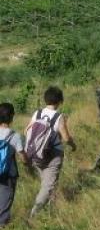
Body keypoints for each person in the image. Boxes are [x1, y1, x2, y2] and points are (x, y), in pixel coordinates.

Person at [26, 86, 77, 219]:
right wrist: (73, 145)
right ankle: (33, 215)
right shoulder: (58, 116)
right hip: (52, 155)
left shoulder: (37, 113)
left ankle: (50, 212)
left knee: (48, 182)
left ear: (46, 99)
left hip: (35, 154)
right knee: (48, 186)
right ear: (60, 101)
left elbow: (27, 130)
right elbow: (66, 138)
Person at [0, 103, 28, 228]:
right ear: (11, 117)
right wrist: (28, 163)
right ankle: (2, 226)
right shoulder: (14, 136)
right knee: (6, 200)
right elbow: (22, 156)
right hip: (8, 174)